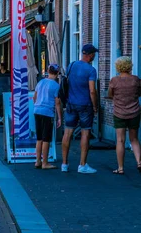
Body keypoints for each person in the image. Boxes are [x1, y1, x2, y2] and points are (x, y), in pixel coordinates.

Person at [62, 44, 99, 174]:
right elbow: (92, 91)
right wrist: (95, 106)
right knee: (85, 133)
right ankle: (82, 165)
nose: (95, 55)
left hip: (71, 103)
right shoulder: (91, 70)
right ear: (90, 55)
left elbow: (66, 83)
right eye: (94, 53)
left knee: (67, 133)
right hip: (85, 105)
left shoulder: (71, 65)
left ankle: (64, 164)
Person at [107, 56, 141, 174]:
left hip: (119, 113)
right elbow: (139, 93)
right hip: (135, 112)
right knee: (134, 139)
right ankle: (139, 162)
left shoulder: (114, 80)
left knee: (120, 140)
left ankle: (120, 168)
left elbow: (110, 94)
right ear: (130, 66)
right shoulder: (136, 80)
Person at [33, 64, 62, 169]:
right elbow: (57, 103)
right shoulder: (56, 86)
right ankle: (45, 163)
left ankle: (37, 161)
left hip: (37, 110)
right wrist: (59, 117)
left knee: (39, 137)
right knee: (46, 138)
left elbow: (34, 97)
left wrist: (38, 104)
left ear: (48, 71)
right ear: (57, 73)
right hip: (47, 112)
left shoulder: (40, 82)